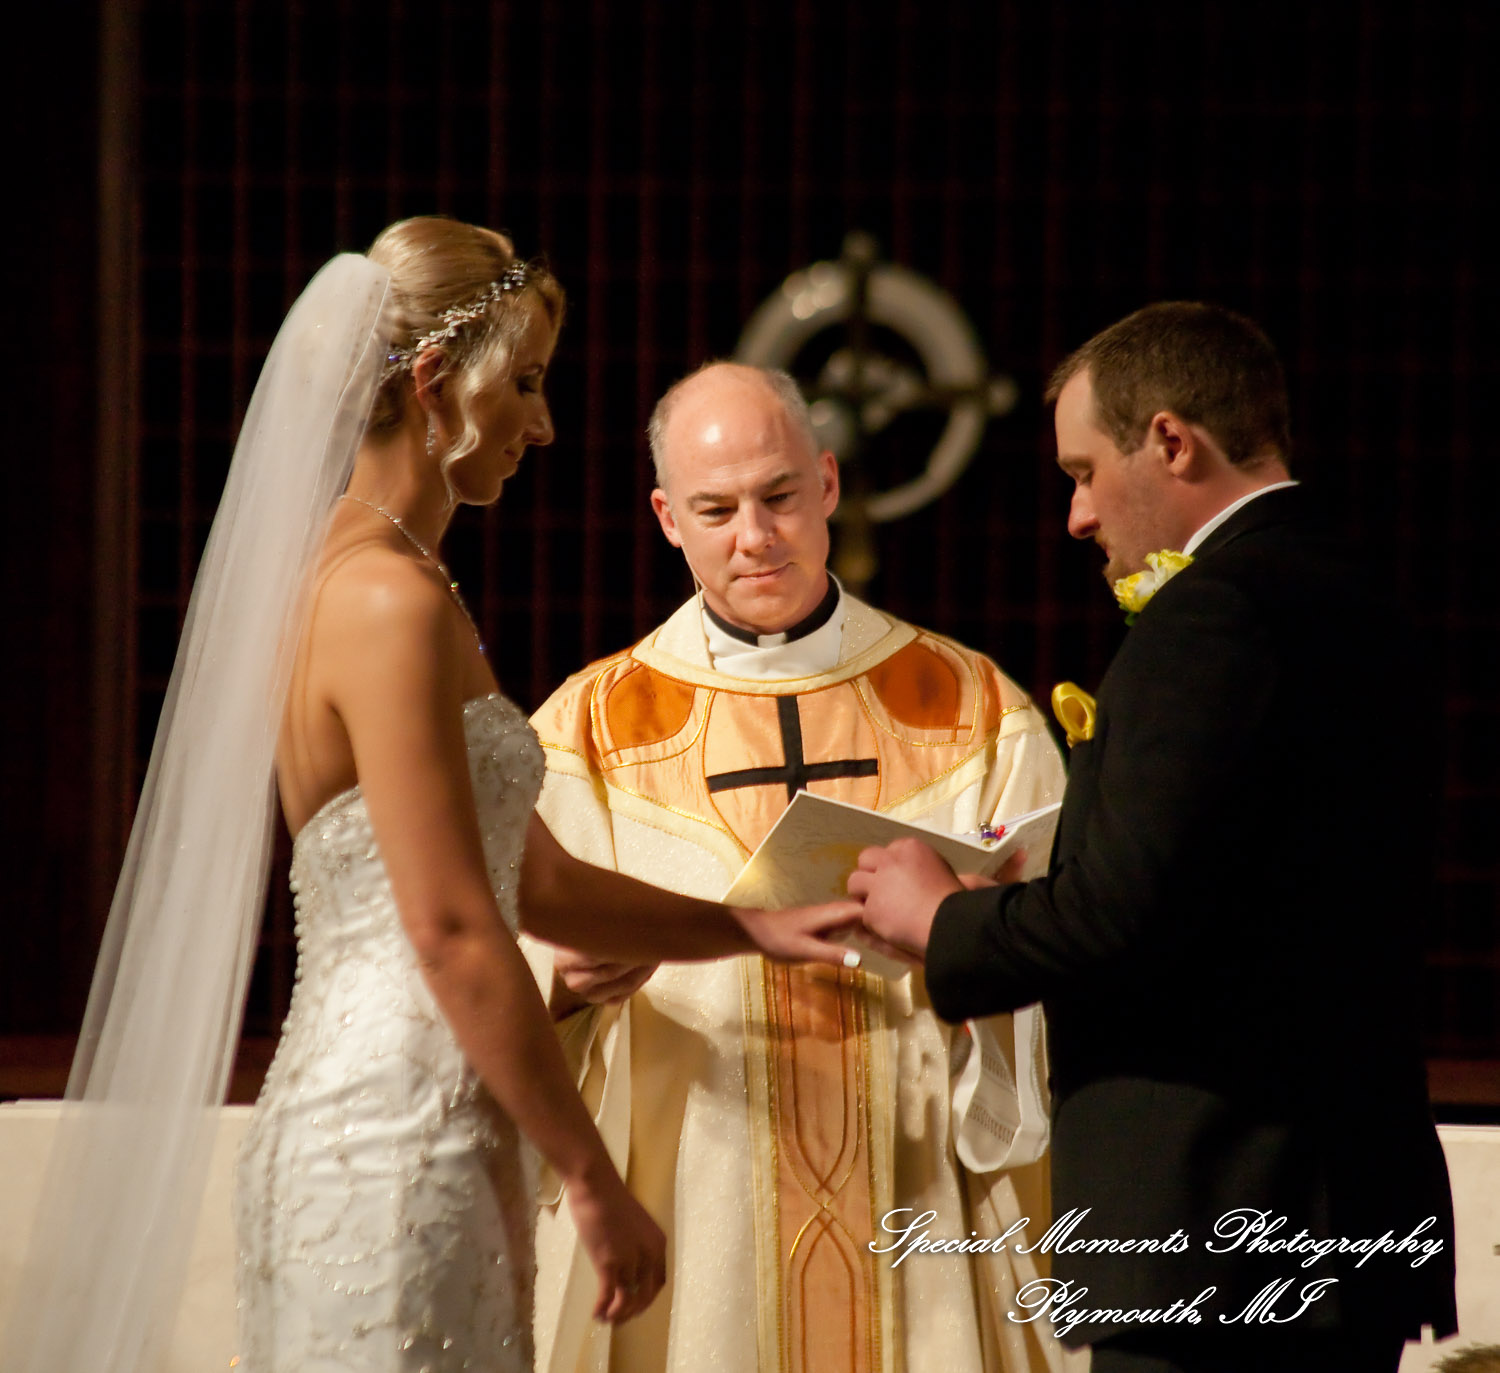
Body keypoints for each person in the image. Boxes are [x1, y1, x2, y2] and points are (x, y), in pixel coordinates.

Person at [2, 220, 858, 1373]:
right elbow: (455, 929)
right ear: (432, 383)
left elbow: (539, 880)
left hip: (438, 1127)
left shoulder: (404, 583)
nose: (545, 423)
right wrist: (591, 1177)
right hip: (387, 1135)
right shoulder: (381, 600)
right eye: (528, 382)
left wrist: (755, 926)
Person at [850, 302, 1458, 1372]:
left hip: (1219, 1214)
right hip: (1341, 1201)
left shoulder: (1213, 616)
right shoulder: (1359, 587)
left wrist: (941, 915)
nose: (1077, 516)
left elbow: (1124, 916)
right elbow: (1241, 882)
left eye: (1084, 471)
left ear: (1172, 440)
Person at [525, 361, 1070, 1373]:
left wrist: (982, 950)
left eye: (779, 496)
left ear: (827, 482)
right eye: (716, 508)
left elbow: (1067, 938)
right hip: (697, 1193)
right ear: (665, 517)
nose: (755, 534)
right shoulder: (587, 731)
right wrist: (563, 986)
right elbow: (507, 950)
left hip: (913, 1176)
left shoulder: (973, 707)